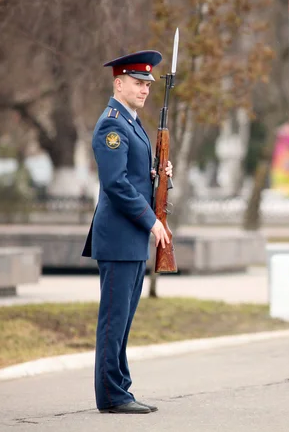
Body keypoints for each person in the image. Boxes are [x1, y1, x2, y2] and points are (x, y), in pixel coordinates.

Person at [82, 50, 173, 414]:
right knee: (113, 321)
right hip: (120, 237)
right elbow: (116, 184)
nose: (145, 89)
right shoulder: (112, 125)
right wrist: (151, 220)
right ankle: (111, 395)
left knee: (123, 321)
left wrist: (158, 179)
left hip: (131, 239)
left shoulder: (132, 122)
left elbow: (134, 177)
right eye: (138, 83)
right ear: (118, 83)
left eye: (147, 84)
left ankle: (121, 388)